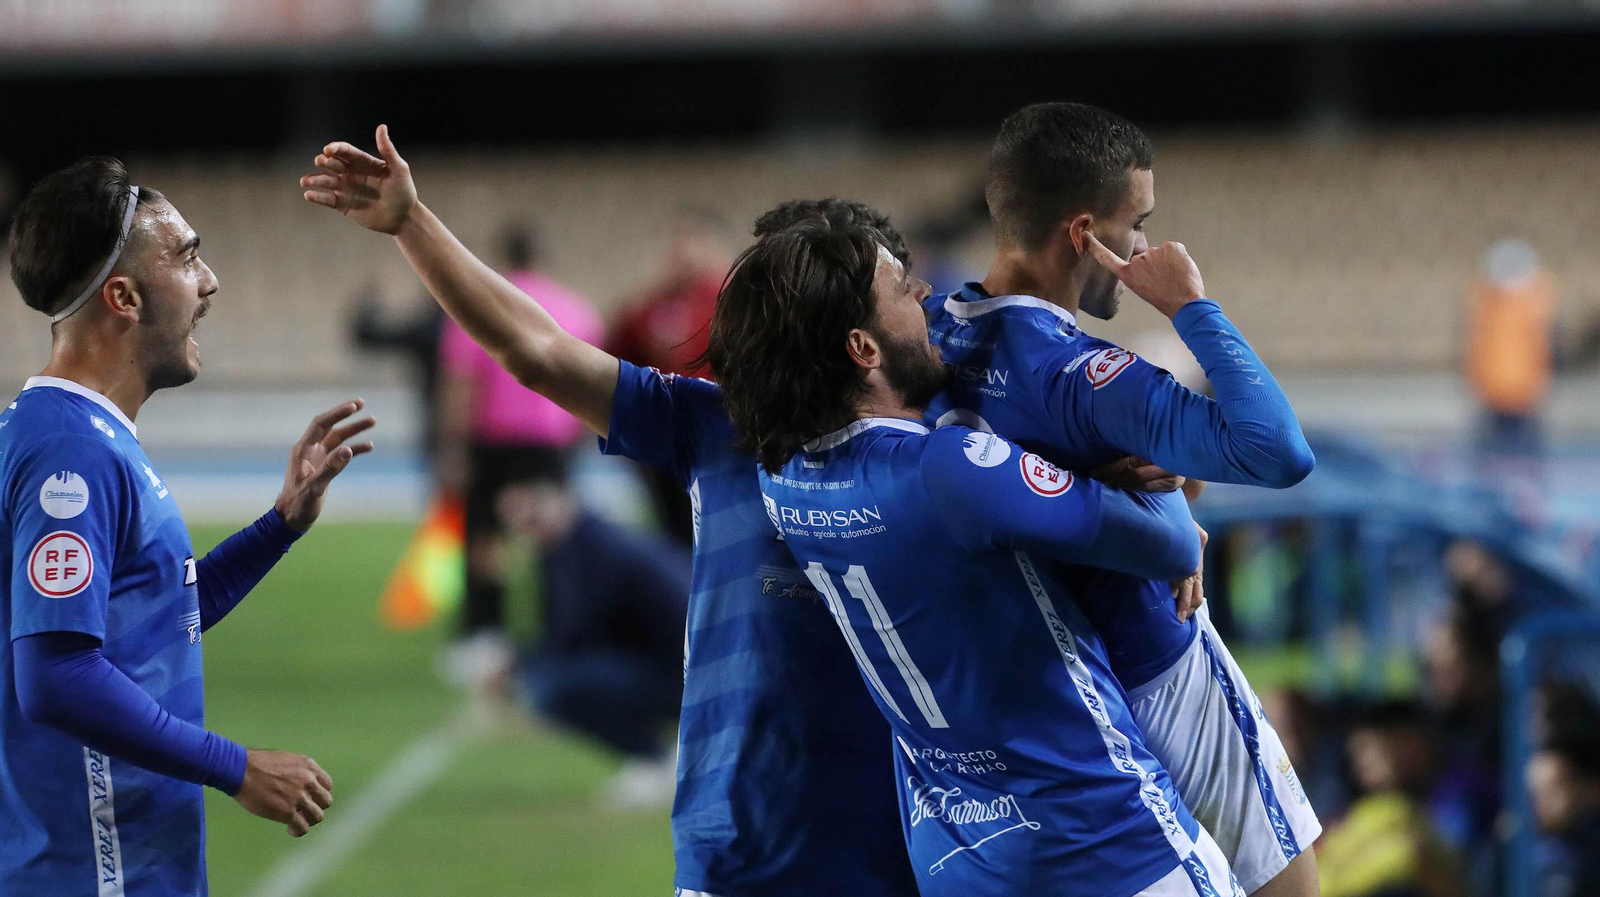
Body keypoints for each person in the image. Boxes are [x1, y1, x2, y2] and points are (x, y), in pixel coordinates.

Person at [300, 127, 920, 897]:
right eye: (907, 290)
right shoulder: (718, 426)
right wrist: (412, 223)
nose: (926, 303)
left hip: (907, 849)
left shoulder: (955, 448)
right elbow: (537, 350)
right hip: (740, 854)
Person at [711, 217, 1237, 896]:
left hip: (961, 856)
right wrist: (1138, 475)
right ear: (862, 346)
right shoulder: (948, 470)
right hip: (1102, 842)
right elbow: (1165, 540)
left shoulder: (781, 478)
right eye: (902, 287)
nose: (926, 291)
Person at [923, 102, 1321, 897]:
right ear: (1082, 234)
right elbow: (1278, 451)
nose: (1144, 245)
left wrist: (1155, 499)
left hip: (1039, 707)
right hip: (1157, 662)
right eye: (1136, 223)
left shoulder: (929, 338)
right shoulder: (1078, 374)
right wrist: (1189, 306)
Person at [3, 157, 373, 896]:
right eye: (186, 256)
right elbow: (54, 674)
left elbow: (148, 623)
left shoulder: (80, 437)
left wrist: (278, 526)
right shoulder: (69, 454)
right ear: (124, 296)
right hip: (92, 870)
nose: (209, 282)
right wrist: (233, 765)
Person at [435, 225, 604, 683]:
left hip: (494, 444)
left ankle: (486, 635)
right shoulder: (573, 307)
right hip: (551, 444)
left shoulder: (474, 304)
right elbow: (593, 378)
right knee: (557, 539)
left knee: (486, 541)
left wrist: (452, 448)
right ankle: (562, 632)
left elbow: (461, 383)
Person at [496, 470, 689, 808]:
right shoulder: (586, 540)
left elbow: (572, 636)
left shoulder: (590, 552)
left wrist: (513, 667)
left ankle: (657, 759)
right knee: (547, 679)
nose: (526, 530)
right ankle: (661, 757)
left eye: (531, 517)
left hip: (684, 677)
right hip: (682, 665)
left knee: (549, 689)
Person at [608, 208, 733, 547]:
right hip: (668, 444)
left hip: (726, 438)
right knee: (676, 533)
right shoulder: (648, 307)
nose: (681, 251)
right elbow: (616, 359)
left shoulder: (733, 299)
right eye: (674, 242)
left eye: (691, 240)